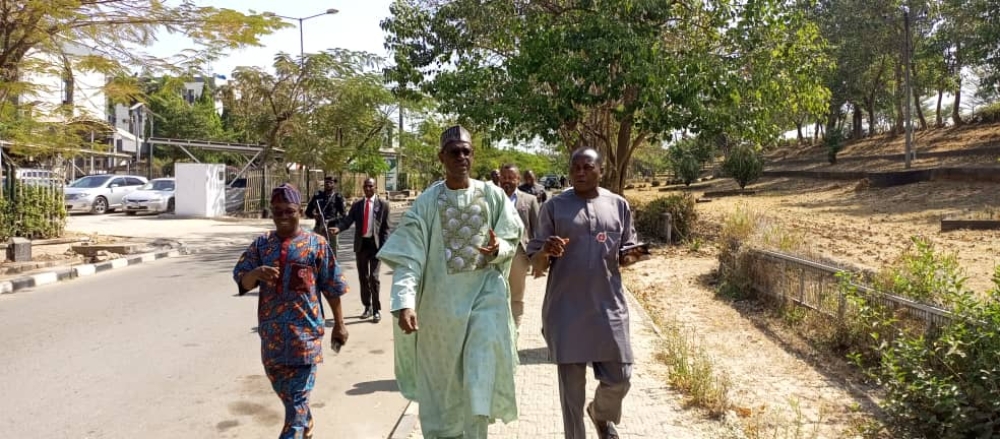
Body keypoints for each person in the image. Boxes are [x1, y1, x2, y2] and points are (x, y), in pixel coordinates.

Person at [377, 125, 523, 439]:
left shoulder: (493, 195)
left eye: (466, 151)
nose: (461, 157)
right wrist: (404, 302)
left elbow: (511, 236)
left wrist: (500, 250)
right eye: (454, 151)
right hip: (440, 315)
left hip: (486, 302)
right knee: (443, 394)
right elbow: (408, 258)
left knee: (478, 381)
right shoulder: (428, 203)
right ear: (441, 157)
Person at [527, 148, 639, 439]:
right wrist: (546, 251)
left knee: (620, 378)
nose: (579, 172)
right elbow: (536, 263)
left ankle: (600, 414)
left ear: (601, 170)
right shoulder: (554, 207)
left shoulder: (618, 205)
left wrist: (633, 255)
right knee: (571, 398)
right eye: (574, 167)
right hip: (566, 311)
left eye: (587, 167)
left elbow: (628, 250)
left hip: (609, 309)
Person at [233, 183, 350, 439]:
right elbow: (241, 280)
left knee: (294, 409)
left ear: (300, 211)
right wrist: (256, 273)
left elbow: (332, 287)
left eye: (289, 210)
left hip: (305, 339)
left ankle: (299, 424)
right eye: (277, 211)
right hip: (272, 340)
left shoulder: (316, 244)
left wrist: (340, 324)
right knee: (290, 398)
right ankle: (304, 419)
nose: (283, 216)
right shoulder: (261, 245)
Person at [331, 178, 392, 323]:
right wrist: (339, 228)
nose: (368, 188)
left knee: (374, 278)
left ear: (375, 187)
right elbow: (348, 220)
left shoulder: (383, 205)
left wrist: (383, 248)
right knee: (363, 278)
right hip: (361, 245)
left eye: (370, 186)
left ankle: (377, 310)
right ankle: (367, 306)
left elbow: (386, 229)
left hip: (376, 246)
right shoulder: (357, 205)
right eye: (365, 186)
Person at [499, 163, 540, 329]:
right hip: (495, 254)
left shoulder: (530, 200)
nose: (507, 181)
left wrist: (538, 258)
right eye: (504, 177)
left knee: (516, 296)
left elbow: (537, 229)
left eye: (511, 177)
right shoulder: (491, 198)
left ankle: (514, 333)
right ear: (499, 178)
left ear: (518, 179)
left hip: (519, 254)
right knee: (495, 294)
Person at [305, 176, 346, 251]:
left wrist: (330, 220)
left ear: (334, 184)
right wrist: (315, 216)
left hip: (332, 228)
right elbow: (307, 212)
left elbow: (343, 215)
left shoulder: (338, 197)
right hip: (319, 228)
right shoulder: (318, 195)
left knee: (332, 253)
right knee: (317, 251)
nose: (328, 184)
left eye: (331, 182)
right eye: (326, 182)